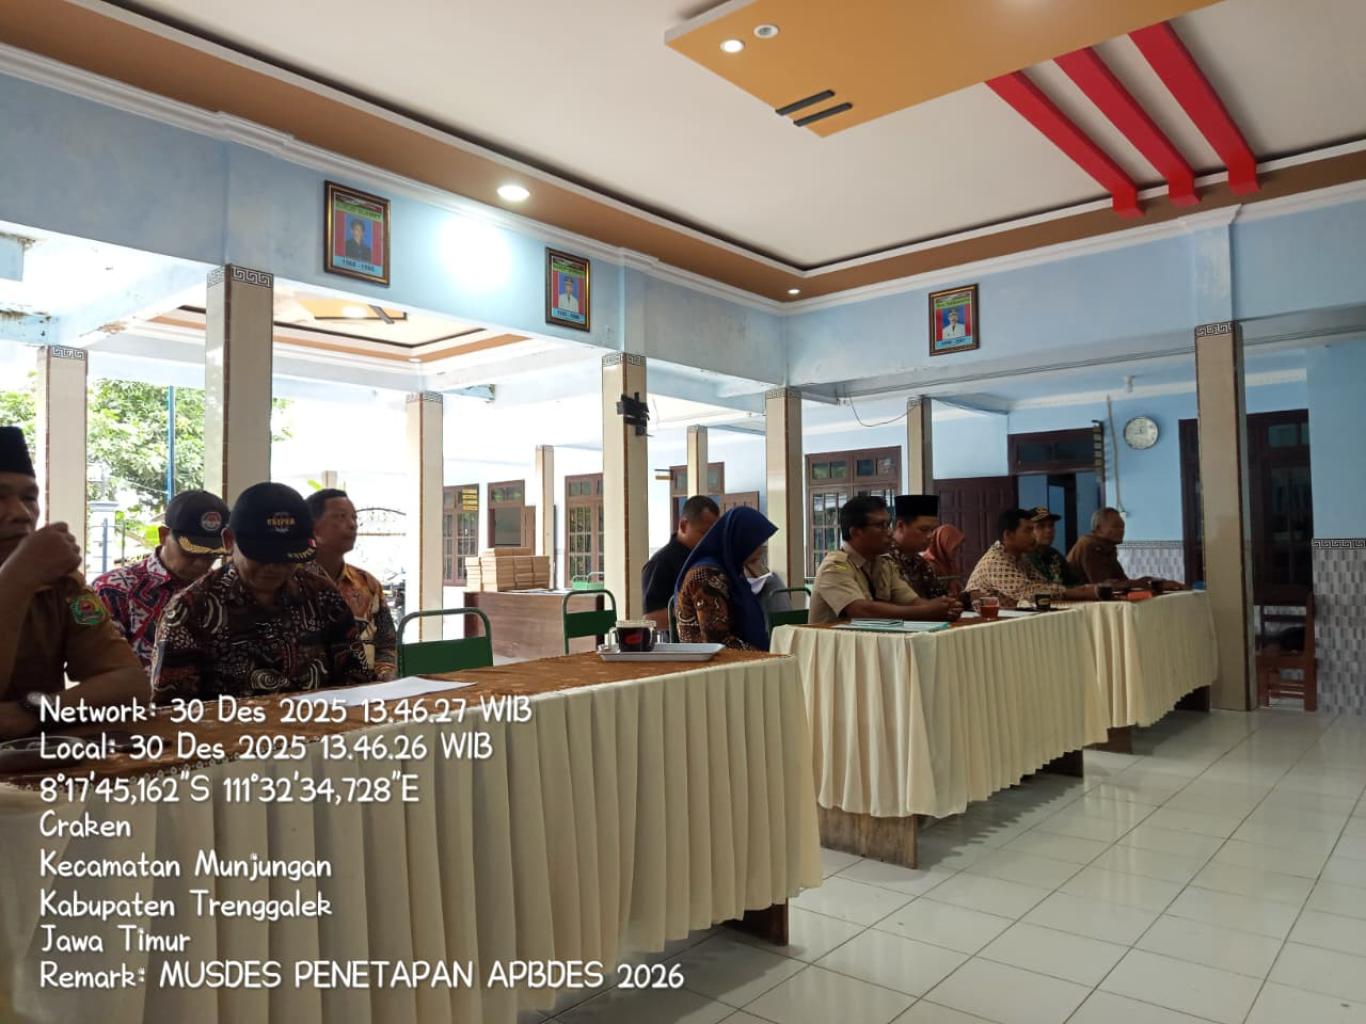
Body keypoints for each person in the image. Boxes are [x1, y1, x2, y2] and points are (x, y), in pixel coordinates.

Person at [151, 482, 375, 701]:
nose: (274, 567)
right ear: (229, 541)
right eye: (262, 556)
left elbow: (355, 681)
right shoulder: (191, 610)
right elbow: (172, 709)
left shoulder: (323, 597)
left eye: (287, 558)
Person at [0, 426, 146, 739]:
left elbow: (131, 686)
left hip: (35, 762)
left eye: (29, 497)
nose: (21, 513)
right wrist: (17, 578)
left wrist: (34, 711)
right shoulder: (31, 573)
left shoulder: (57, 582)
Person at [93, 489, 229, 671]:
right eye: (190, 553)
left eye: (211, 555)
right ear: (164, 535)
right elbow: (98, 665)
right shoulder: (114, 589)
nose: (201, 563)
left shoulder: (222, 590)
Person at [810, 495, 961, 625]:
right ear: (855, 532)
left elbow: (912, 601)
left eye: (888, 525)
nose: (889, 532)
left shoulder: (883, 563)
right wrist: (927, 611)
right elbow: (861, 610)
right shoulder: (835, 566)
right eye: (880, 526)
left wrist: (944, 608)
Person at [304, 488, 397, 680]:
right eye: (340, 517)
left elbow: (386, 643)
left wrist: (384, 678)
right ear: (314, 527)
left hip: (366, 692)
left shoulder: (367, 584)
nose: (352, 524)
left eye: (354, 518)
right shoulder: (293, 582)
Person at [674, 507, 777, 650]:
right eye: (755, 542)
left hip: (742, 658)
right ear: (739, 539)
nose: (760, 550)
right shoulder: (706, 575)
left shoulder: (732, 571)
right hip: (714, 661)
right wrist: (766, 655)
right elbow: (716, 641)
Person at [966, 508, 1099, 607]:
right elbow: (1027, 591)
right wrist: (1077, 592)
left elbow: (1042, 584)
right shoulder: (995, 560)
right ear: (1008, 535)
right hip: (986, 624)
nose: (1033, 535)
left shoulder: (1020, 556)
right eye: (1028, 531)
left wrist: (1080, 590)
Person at [641, 494, 720, 630]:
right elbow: (652, 619)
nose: (709, 540)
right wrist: (697, 608)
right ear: (683, 526)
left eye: (713, 535)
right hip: (680, 641)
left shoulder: (711, 557)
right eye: (703, 533)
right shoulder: (660, 563)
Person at [1067, 507, 1183, 591]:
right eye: (1116, 526)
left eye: (1123, 527)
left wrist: (1149, 581)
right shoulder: (1090, 545)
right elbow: (1104, 585)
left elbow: (1121, 580)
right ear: (1099, 529)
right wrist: (1149, 584)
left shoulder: (1108, 547)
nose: (1121, 531)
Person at [890, 494, 952, 598]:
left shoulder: (920, 562)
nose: (930, 536)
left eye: (933, 530)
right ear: (901, 526)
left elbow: (938, 596)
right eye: (924, 529)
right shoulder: (884, 559)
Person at [1024, 506, 1084, 588]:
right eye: (1041, 526)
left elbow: (1074, 582)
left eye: (1051, 525)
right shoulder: (1024, 556)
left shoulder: (1054, 554)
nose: (1048, 530)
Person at [922, 524, 966, 596]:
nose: (957, 552)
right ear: (943, 545)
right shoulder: (928, 564)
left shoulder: (948, 563)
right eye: (954, 549)